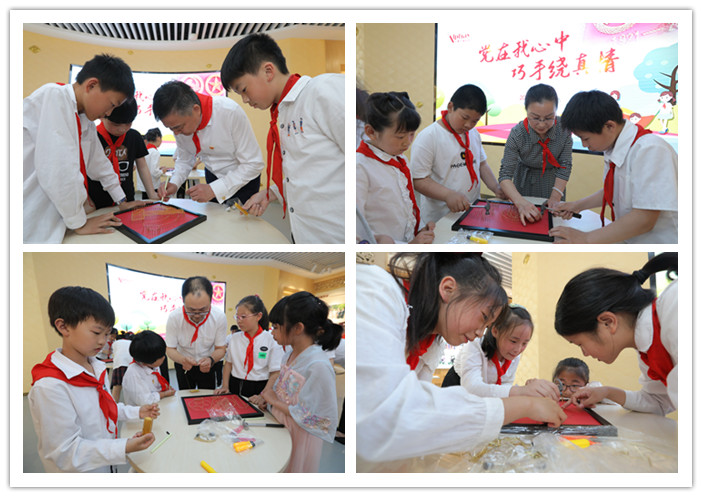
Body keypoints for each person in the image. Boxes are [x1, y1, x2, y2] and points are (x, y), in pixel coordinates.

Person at [356, 253, 566, 463]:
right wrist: (525, 404)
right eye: (483, 318)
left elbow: (416, 417)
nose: (480, 332)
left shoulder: (434, 339)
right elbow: (387, 416)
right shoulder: (377, 290)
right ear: (448, 289)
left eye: (486, 325)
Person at [220, 33, 345, 244]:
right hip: (306, 232)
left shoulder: (322, 91)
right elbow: (306, 170)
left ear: (268, 71)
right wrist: (270, 193)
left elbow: (361, 157)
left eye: (244, 90)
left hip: (338, 234)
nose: (245, 100)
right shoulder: (283, 113)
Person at [28, 287, 159, 472]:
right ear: (63, 326)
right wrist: (123, 446)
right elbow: (66, 452)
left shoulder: (96, 367)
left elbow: (103, 409)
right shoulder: (51, 386)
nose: (102, 341)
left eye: (106, 334)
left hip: (105, 465)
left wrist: (137, 411)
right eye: (97, 333)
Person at [23, 54, 143, 243]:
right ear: (91, 85)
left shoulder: (85, 120)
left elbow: (100, 165)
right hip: (30, 216)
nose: (108, 113)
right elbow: (58, 170)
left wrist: (122, 201)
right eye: (111, 104)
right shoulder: (54, 96)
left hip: (58, 220)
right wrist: (79, 223)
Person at [554, 252, 678, 415]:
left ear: (608, 322)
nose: (585, 353)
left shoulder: (675, 305)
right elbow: (660, 402)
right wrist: (606, 392)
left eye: (580, 344)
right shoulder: (646, 351)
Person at [550, 90, 678, 244]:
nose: (584, 145)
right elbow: (614, 190)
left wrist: (586, 238)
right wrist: (576, 205)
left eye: (586, 138)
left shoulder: (650, 150)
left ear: (609, 126)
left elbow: (645, 218)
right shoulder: (613, 147)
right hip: (631, 240)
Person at [250, 292, 341, 472]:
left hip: (299, 433)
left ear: (298, 328)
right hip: (281, 423)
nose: (272, 332)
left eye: (276, 327)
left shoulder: (318, 365)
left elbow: (314, 415)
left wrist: (273, 400)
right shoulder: (289, 354)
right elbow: (283, 391)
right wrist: (268, 400)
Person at [152, 80, 264, 206]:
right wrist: (174, 182)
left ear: (196, 110)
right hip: (212, 178)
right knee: (213, 217)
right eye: (171, 129)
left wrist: (215, 189)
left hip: (243, 179)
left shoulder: (229, 112)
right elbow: (185, 158)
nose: (176, 133)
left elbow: (253, 163)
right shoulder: (180, 123)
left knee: (240, 218)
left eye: (179, 127)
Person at [410, 84, 506, 226]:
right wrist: (448, 195)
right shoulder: (429, 137)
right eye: (464, 117)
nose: (468, 125)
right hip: (439, 218)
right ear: (450, 107)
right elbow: (419, 180)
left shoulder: (473, 134)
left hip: (471, 212)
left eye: (475, 121)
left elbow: (482, 165)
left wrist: (496, 188)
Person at [356, 91, 435, 244]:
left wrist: (419, 229)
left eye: (412, 134)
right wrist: (409, 246)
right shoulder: (360, 167)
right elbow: (357, 230)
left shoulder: (400, 158)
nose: (407, 142)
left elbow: (405, 204)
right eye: (400, 136)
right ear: (371, 132)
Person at [498, 84, 574, 225]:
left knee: (553, 224)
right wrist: (520, 202)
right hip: (525, 182)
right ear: (526, 111)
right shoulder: (517, 133)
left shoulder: (563, 129)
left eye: (549, 118)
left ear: (556, 111)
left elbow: (565, 165)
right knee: (526, 223)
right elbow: (505, 175)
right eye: (535, 118)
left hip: (554, 182)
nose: (542, 124)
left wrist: (556, 196)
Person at [452, 305, 560, 400]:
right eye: (513, 341)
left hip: (485, 399)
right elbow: (471, 388)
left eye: (524, 343)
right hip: (456, 391)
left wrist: (527, 389)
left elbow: (506, 384)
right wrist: (521, 391)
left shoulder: (513, 354)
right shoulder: (475, 345)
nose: (518, 349)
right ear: (495, 331)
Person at [88, 98, 159, 208]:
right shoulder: (92, 137)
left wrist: (152, 194)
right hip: (97, 200)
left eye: (128, 123)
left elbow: (143, 167)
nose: (122, 129)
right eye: (116, 124)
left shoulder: (134, 136)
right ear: (102, 116)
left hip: (127, 198)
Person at [165, 276, 228, 390]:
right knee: (186, 395)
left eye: (203, 310)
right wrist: (182, 360)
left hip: (208, 364)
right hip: (183, 363)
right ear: (183, 301)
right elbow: (170, 349)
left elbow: (220, 349)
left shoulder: (219, 317)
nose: (197, 315)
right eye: (191, 310)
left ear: (211, 300)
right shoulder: (174, 318)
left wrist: (211, 360)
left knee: (207, 396)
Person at [214, 295, 283, 398]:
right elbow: (228, 364)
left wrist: (263, 395)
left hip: (260, 387)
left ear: (258, 316)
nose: (239, 321)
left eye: (243, 317)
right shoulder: (234, 338)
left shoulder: (271, 339)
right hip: (235, 383)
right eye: (237, 317)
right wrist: (225, 386)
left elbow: (275, 372)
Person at [122, 330, 176, 406]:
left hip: (157, 405)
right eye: (161, 357)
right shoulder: (133, 373)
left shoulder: (153, 365)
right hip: (142, 411)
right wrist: (164, 394)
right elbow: (145, 401)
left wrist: (165, 388)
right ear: (146, 362)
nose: (164, 357)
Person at [137, 128, 164, 200]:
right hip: (152, 186)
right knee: (153, 204)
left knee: (145, 203)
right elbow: (154, 173)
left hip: (143, 185)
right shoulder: (154, 152)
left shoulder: (144, 150)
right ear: (158, 138)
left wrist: (158, 169)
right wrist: (162, 171)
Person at [110, 331, 134, 402]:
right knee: (132, 387)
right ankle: (132, 405)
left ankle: (113, 405)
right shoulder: (132, 342)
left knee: (116, 388)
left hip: (119, 365)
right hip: (131, 365)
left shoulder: (115, 343)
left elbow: (115, 355)